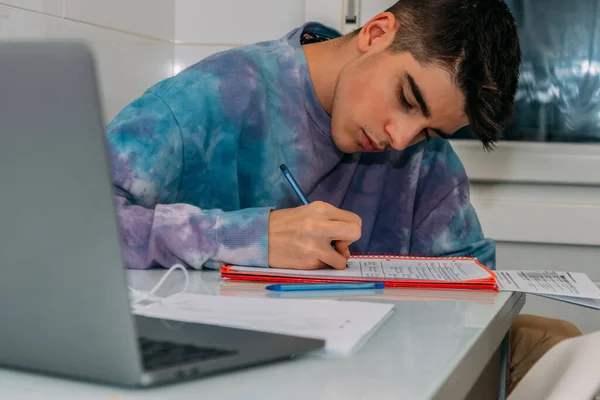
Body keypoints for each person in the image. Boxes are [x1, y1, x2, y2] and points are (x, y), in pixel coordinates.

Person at [104, 0, 581, 393]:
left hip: (366, 372)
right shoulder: (219, 95)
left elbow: (477, 296)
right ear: (376, 33)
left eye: (430, 129)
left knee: (559, 345)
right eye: (407, 99)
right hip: (213, 366)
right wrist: (251, 235)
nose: (401, 138)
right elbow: (68, 221)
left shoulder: (428, 162)